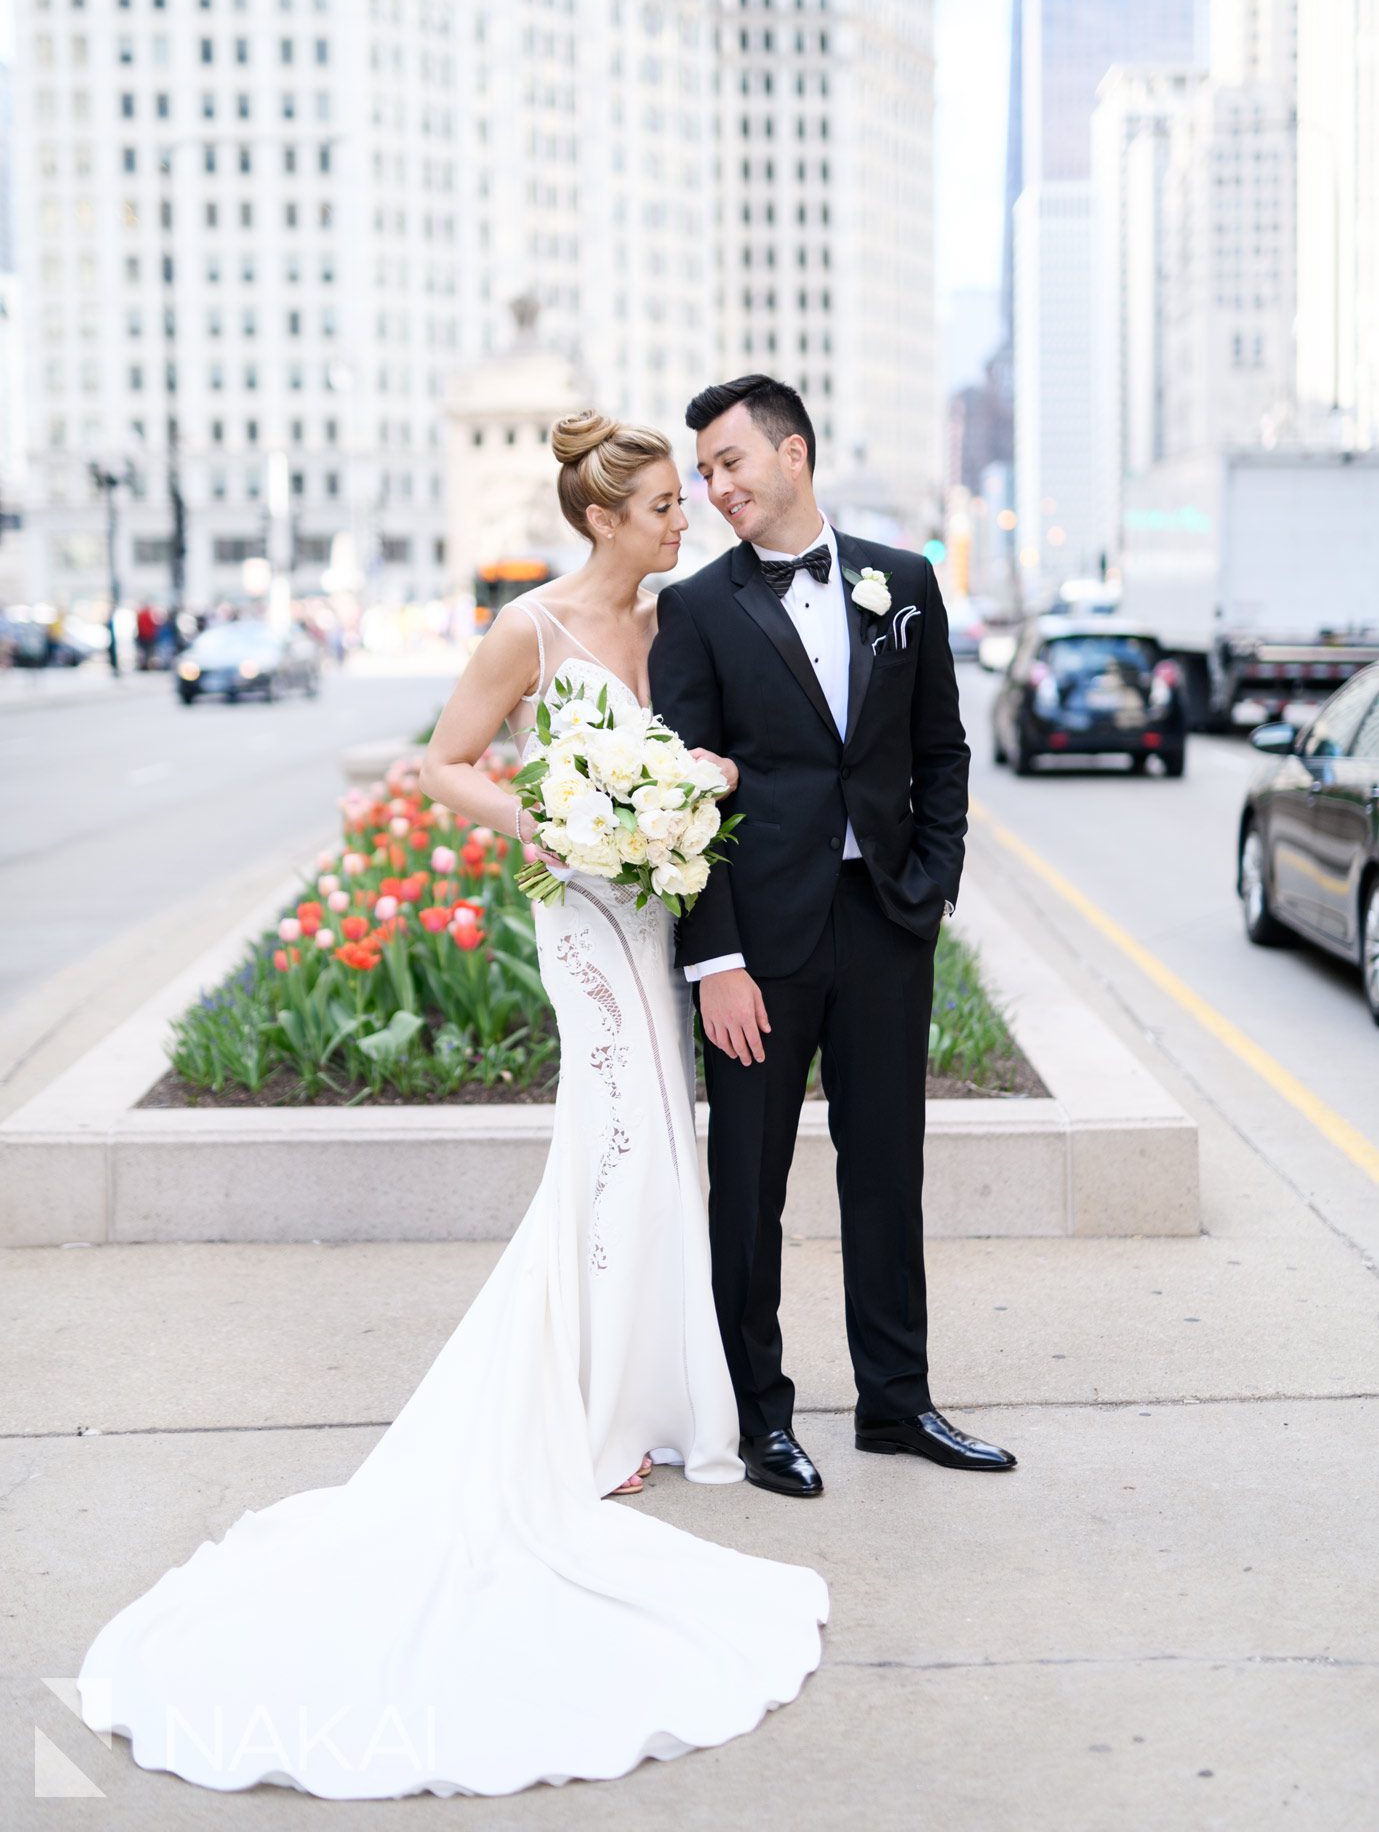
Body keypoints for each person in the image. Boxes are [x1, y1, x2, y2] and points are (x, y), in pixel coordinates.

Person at [74, 411, 827, 1801]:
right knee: (608, 1143)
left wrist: (691, 792)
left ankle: (644, 1400)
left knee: (657, 1151)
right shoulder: (526, 636)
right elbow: (443, 765)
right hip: (581, 923)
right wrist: (546, 827)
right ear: (603, 517)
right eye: (663, 504)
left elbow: (701, 757)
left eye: (684, 501)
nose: (683, 520)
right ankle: (591, 1428)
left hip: (654, 916)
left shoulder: (679, 625)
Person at [648, 374, 1017, 1499]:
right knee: (747, 1187)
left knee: (885, 1172)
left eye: (727, 463)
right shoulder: (699, 609)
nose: (713, 488)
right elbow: (677, 798)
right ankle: (760, 1416)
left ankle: (894, 1403)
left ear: (792, 453)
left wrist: (929, 883)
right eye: (703, 472)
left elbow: (940, 748)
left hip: (883, 927)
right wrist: (713, 958)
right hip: (757, 948)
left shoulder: (899, 582)